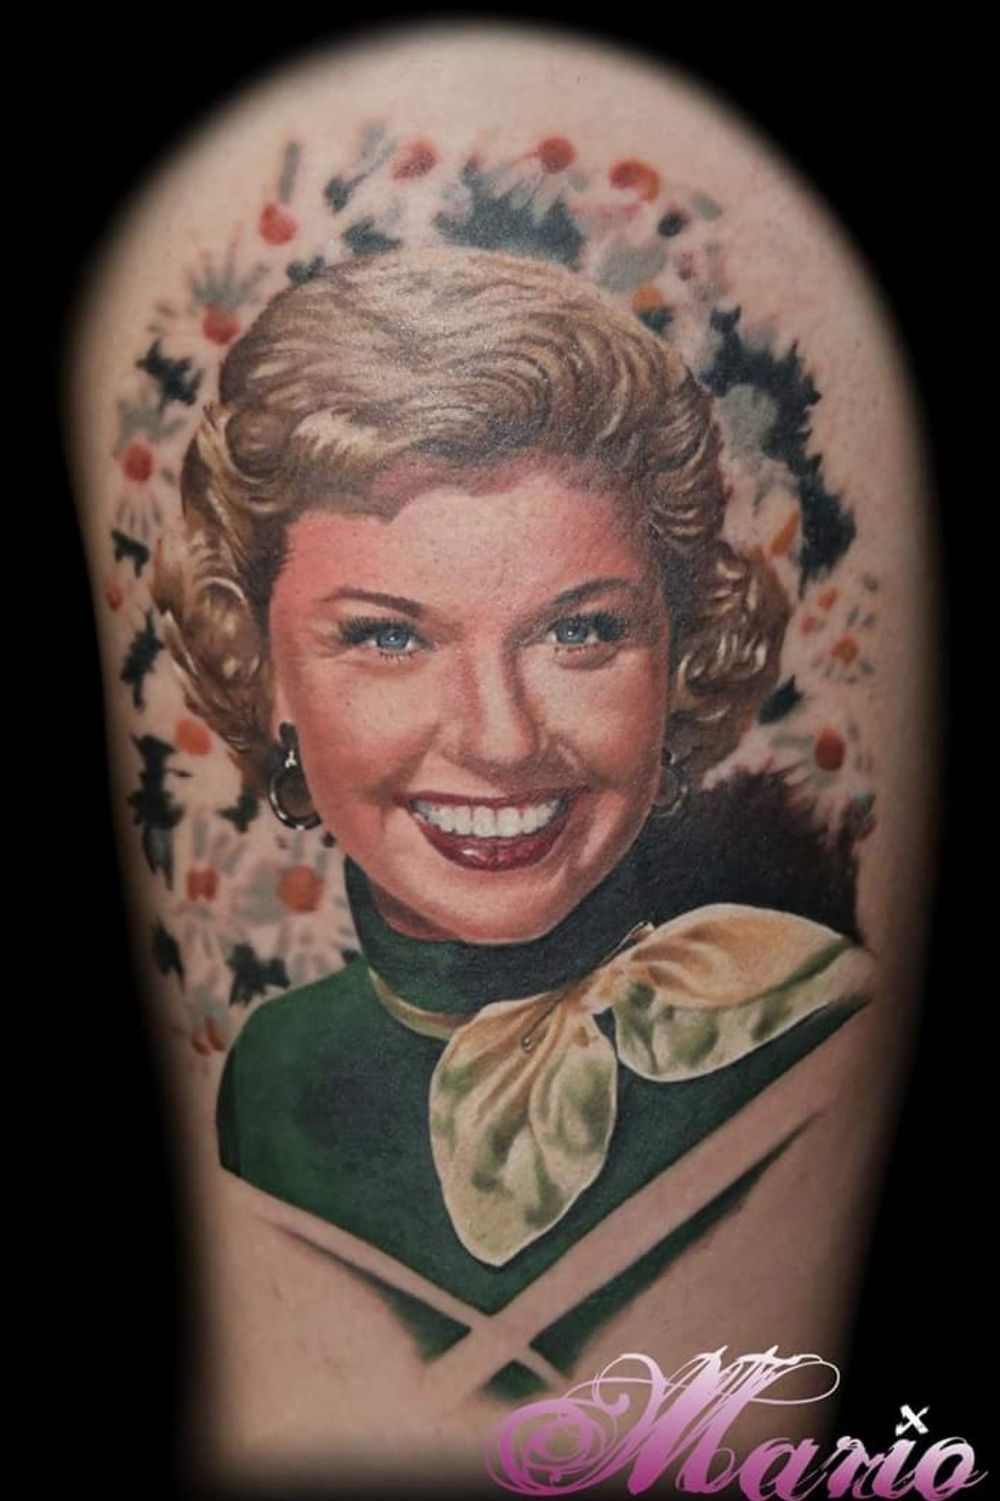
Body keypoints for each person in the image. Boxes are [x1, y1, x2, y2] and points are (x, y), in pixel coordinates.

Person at [152, 246, 870, 1296]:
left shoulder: (808, 1031)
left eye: (580, 630)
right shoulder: (274, 1067)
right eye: (390, 637)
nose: (500, 739)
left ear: (677, 655)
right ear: (264, 674)